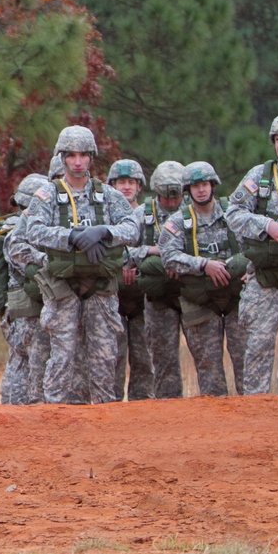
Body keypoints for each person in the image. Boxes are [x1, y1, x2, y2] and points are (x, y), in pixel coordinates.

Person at [24, 126, 139, 404]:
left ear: (91, 158)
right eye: (72, 155)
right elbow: (34, 231)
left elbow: (133, 227)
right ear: (62, 158)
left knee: (103, 357)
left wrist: (104, 233)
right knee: (62, 357)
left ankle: (103, 422)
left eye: (83, 155)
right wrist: (72, 237)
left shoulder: (108, 196)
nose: (77, 162)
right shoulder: (47, 195)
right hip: (63, 288)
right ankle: (55, 419)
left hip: (101, 289)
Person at [160, 162, 247, 396]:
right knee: (209, 369)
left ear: (213, 185)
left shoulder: (233, 213)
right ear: (188, 190)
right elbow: (168, 257)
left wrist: (242, 265)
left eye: (205, 184)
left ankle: (253, 423)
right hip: (201, 301)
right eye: (195, 186)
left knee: (245, 363)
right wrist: (203, 265)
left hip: (235, 298)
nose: (201, 190)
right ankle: (216, 426)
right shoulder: (178, 221)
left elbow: (253, 245)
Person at [226, 115, 278, 394]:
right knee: (259, 345)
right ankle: (255, 415)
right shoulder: (260, 176)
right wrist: (267, 226)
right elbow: (233, 214)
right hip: (264, 276)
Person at [129, 161, 188, 398]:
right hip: (158, 297)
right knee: (164, 362)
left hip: (193, 293)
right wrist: (151, 251)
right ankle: (168, 413)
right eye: (166, 197)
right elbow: (121, 252)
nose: (172, 202)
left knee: (206, 359)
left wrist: (179, 260)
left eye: (177, 196)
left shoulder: (194, 211)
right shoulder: (141, 215)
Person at [107, 159, 155, 401]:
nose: (126, 187)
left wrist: (135, 259)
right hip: (112, 298)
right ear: (111, 185)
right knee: (112, 358)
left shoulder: (150, 215)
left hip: (143, 298)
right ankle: (112, 409)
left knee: (145, 359)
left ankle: (143, 411)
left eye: (131, 182)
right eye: (120, 182)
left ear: (139, 186)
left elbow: (163, 249)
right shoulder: (104, 216)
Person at [1, 173, 51, 404]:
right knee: (33, 363)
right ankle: (23, 413)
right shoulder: (18, 234)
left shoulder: (13, 228)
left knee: (19, 361)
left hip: (20, 310)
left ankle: (12, 409)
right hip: (28, 311)